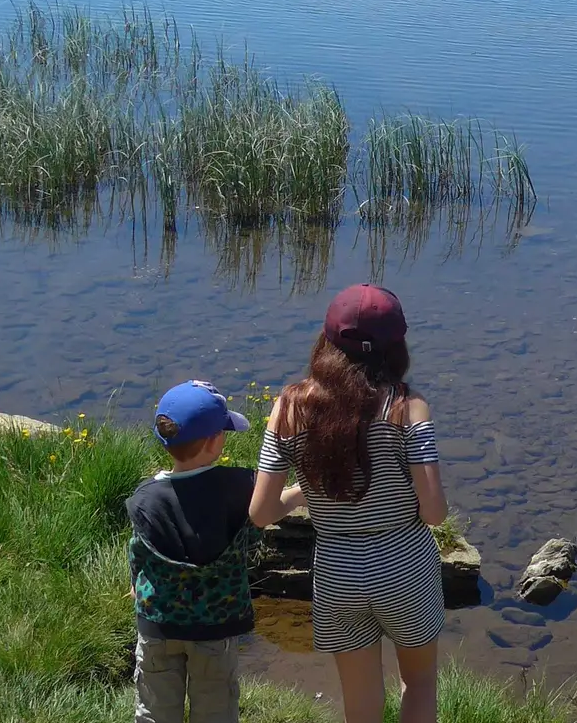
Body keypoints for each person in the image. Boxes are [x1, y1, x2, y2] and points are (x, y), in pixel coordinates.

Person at [252, 285, 448, 723]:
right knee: (418, 685)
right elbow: (434, 513)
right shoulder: (407, 407)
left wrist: (304, 494)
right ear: (396, 345)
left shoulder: (288, 407)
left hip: (338, 571)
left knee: (361, 705)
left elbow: (261, 513)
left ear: (326, 340)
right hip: (405, 566)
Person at [127, 381, 278, 723]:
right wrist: (299, 494)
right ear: (214, 442)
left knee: (154, 709)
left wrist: (136, 584)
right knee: (215, 708)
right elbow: (264, 513)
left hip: (157, 625)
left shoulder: (145, 497)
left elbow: (138, 551)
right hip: (214, 627)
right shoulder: (237, 486)